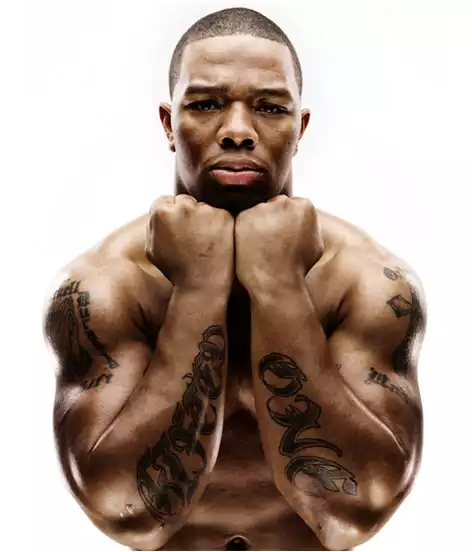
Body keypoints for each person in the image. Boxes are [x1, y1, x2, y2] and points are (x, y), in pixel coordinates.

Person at [43, 7, 426, 551]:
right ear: (168, 124)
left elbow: (354, 514)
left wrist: (278, 286)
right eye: (205, 104)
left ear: (300, 128)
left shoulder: (367, 284)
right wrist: (199, 288)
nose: (239, 132)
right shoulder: (105, 288)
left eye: (270, 107)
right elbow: (129, 513)